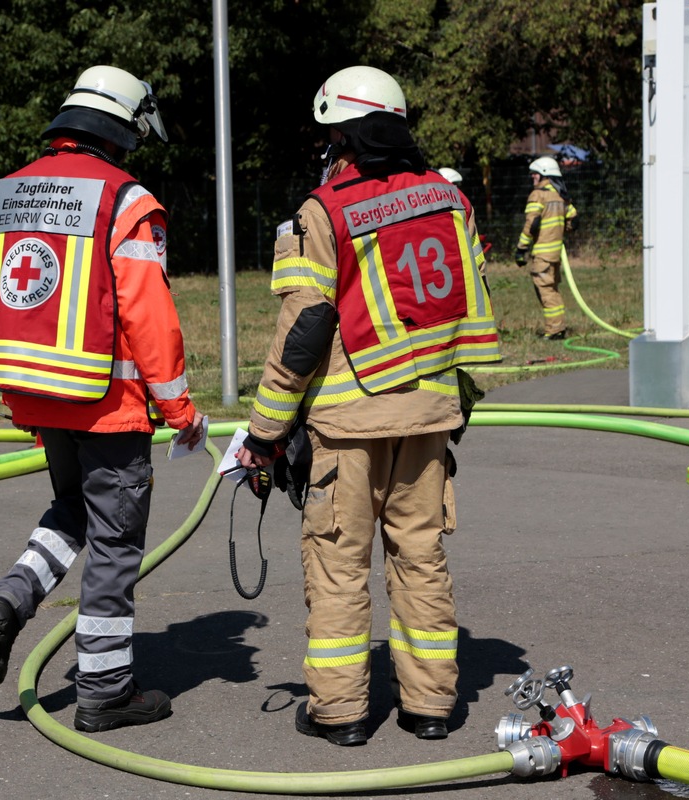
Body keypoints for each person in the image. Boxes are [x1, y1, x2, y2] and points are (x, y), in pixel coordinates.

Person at [236, 66, 500, 746]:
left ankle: (342, 714)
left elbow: (305, 330)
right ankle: (431, 707)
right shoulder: (449, 200)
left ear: (344, 135)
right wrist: (455, 409)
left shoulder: (323, 211)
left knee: (339, 566)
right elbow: (471, 305)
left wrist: (264, 434)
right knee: (420, 559)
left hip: (348, 428)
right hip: (429, 421)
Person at [0, 65, 205, 733]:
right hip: (109, 405)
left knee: (73, 508)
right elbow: (149, 318)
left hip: (38, 394)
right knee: (115, 543)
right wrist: (181, 412)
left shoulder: (7, 193)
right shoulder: (125, 200)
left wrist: (17, 392)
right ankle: (105, 693)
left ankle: (10, 601)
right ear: (125, 129)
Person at [514, 156, 578, 340]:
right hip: (555, 253)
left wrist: (521, 249)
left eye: (535, 174)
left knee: (546, 290)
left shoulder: (538, 195)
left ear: (544, 174)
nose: (532, 177)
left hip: (542, 253)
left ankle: (554, 331)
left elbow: (531, 224)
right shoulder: (560, 195)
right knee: (552, 289)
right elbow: (574, 219)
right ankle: (558, 326)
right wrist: (560, 230)